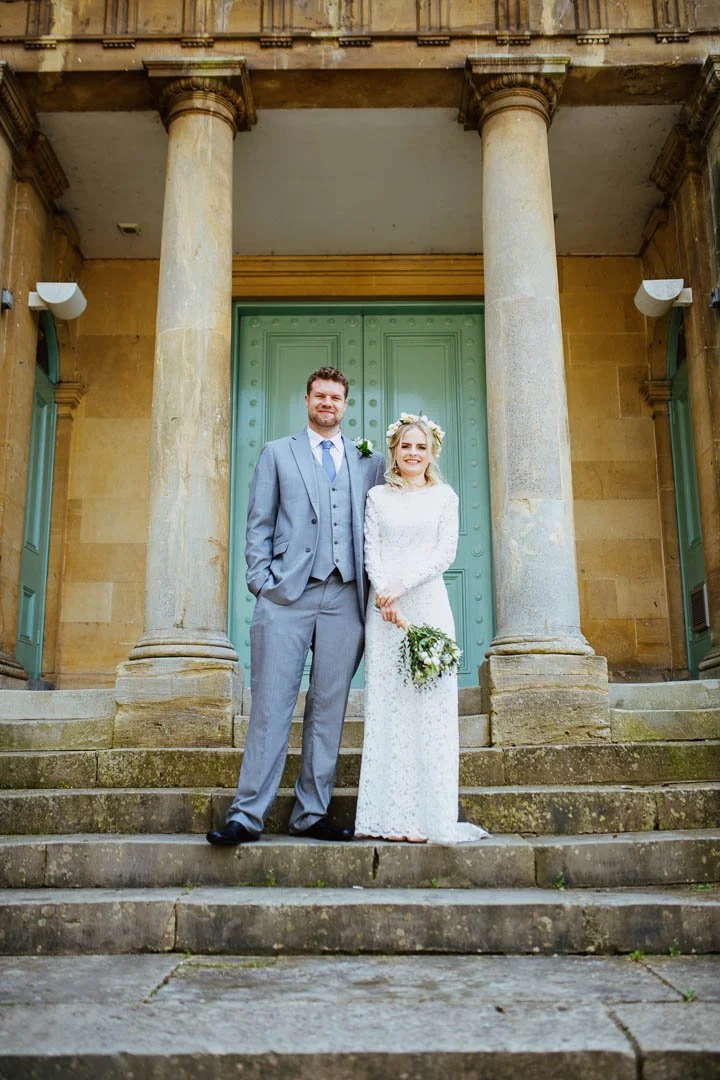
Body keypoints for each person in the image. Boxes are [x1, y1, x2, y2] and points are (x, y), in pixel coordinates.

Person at [207, 367, 386, 845]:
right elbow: (258, 523)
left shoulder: (367, 460)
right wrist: (260, 583)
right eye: (320, 396)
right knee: (270, 705)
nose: (328, 403)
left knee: (329, 708)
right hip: (286, 596)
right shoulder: (276, 453)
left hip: (345, 597)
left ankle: (311, 812)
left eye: (336, 397)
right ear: (306, 399)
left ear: (346, 404)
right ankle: (247, 814)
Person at [354, 413, 489, 844]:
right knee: (390, 706)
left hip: (427, 605)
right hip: (385, 613)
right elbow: (370, 549)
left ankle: (429, 817)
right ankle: (388, 818)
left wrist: (401, 586)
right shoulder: (377, 497)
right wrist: (384, 593)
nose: (413, 453)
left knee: (429, 707)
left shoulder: (444, 497)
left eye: (421, 447)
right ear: (393, 451)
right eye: (406, 446)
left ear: (432, 454)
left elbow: (444, 553)